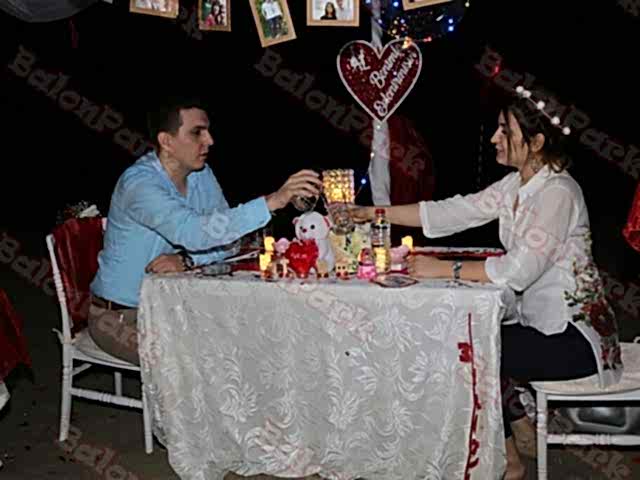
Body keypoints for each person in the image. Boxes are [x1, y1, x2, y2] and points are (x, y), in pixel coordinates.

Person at [350, 88, 623, 480]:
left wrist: (442, 269)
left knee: (472, 349)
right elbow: (452, 212)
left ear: (536, 143)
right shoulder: (516, 186)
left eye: (504, 130)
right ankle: (520, 429)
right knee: (471, 335)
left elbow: (517, 271)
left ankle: (510, 460)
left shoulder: (558, 193)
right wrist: (371, 212)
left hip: (574, 338)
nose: (495, 138)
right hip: (541, 327)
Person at [89, 95, 321, 366]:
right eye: (197, 132)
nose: (209, 140)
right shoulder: (140, 186)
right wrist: (272, 201)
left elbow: (229, 241)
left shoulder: (200, 175)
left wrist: (188, 260)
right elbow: (194, 234)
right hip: (122, 317)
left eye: (208, 131)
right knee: (196, 365)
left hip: (174, 306)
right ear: (166, 141)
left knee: (252, 340)